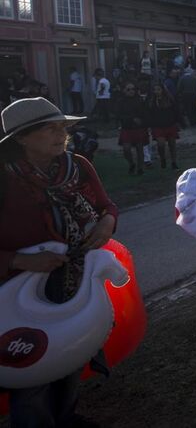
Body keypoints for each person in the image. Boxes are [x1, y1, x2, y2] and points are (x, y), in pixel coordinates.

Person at [0, 97, 117, 428]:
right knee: (31, 364)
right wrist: (21, 261)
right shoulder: (4, 178)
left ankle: (66, 416)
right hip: (16, 293)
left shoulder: (76, 166)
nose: (60, 135)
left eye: (62, 128)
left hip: (72, 279)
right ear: (21, 138)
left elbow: (106, 205)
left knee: (70, 351)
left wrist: (107, 222)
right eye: (49, 129)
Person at [115, 82, 148, 176]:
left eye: (133, 89)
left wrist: (143, 122)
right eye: (128, 89)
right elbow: (118, 115)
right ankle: (131, 163)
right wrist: (131, 118)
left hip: (138, 128)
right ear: (124, 90)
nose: (131, 91)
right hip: (126, 127)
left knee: (139, 148)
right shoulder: (120, 101)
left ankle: (140, 168)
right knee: (126, 149)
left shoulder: (140, 100)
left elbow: (145, 113)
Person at [147, 82, 181, 169]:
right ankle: (163, 158)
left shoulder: (169, 99)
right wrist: (150, 125)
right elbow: (149, 114)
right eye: (154, 90)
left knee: (172, 144)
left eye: (158, 89)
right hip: (158, 126)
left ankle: (174, 161)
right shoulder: (151, 101)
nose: (156, 91)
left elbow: (175, 111)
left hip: (170, 124)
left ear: (162, 90)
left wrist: (177, 122)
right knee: (160, 144)